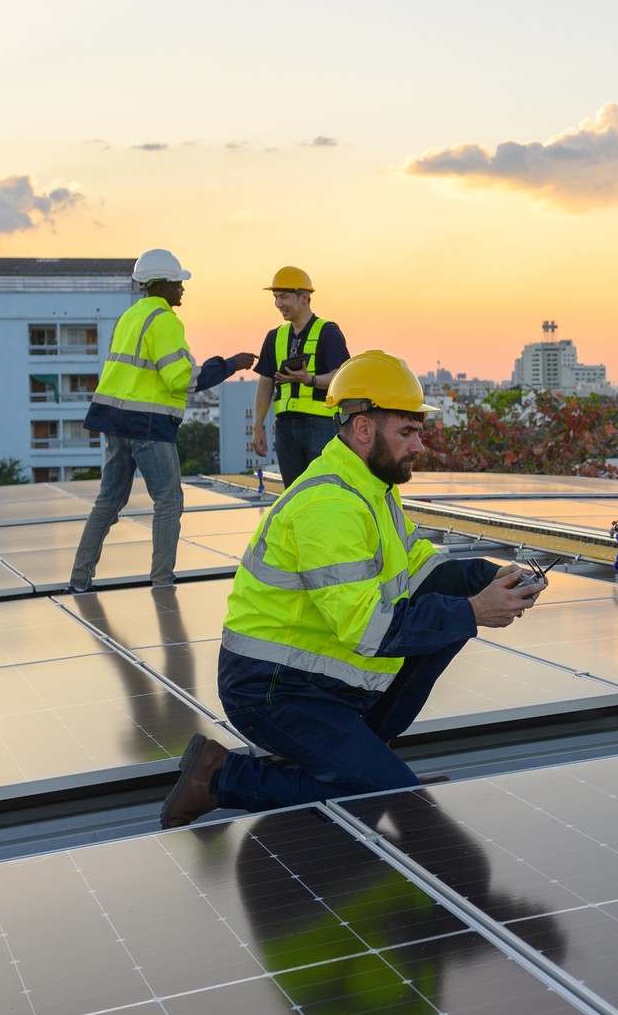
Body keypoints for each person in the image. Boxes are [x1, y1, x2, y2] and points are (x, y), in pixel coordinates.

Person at [160, 350, 546, 827]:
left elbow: (419, 567)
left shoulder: (371, 486)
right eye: (407, 432)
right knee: (389, 794)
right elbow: (368, 629)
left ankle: (360, 762)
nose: (419, 446)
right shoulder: (330, 505)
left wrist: (487, 577)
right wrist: (474, 611)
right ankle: (220, 777)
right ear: (364, 428)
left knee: (450, 614)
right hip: (274, 689)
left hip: (324, 680)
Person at [69, 249, 256, 592]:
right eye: (177, 282)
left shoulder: (129, 317)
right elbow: (182, 379)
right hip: (149, 427)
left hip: (114, 422)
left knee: (108, 501)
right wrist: (229, 364)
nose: (182, 288)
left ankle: (78, 581)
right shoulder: (165, 320)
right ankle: (162, 582)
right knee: (169, 501)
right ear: (161, 285)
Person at [250, 265, 351, 486]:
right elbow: (266, 383)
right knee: (294, 496)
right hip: (285, 427)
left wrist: (310, 380)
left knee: (322, 492)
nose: (278, 304)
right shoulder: (275, 336)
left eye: (284, 297)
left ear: (304, 297)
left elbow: (340, 378)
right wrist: (257, 425)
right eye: (276, 297)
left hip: (322, 426)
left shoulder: (328, 332)